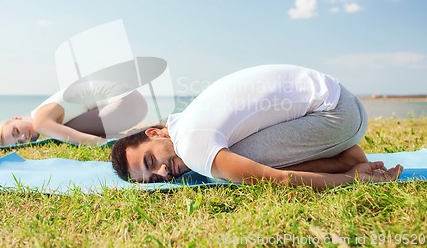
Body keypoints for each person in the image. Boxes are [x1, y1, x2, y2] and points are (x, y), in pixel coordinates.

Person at [111, 64, 403, 189]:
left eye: (151, 160)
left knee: (231, 170)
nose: (163, 172)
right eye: (153, 178)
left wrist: (351, 179)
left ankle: (344, 160)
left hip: (337, 114)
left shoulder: (190, 143)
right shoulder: (188, 118)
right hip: (338, 102)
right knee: (229, 158)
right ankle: (342, 154)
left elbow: (278, 180)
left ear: (155, 132)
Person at [0, 82, 148, 146]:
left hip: (127, 102)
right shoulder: (42, 112)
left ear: (16, 118)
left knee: (68, 130)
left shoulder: (40, 121)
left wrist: (110, 145)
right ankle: (139, 135)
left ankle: (134, 137)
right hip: (132, 101)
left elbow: (82, 139)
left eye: (16, 131)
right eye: (19, 142)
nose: (22, 137)